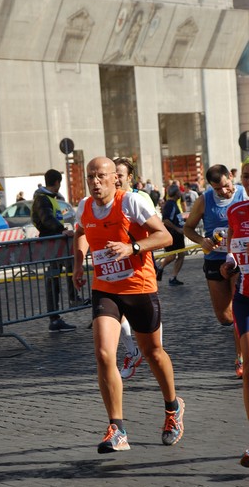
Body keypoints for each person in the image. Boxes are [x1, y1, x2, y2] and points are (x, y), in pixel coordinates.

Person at [73, 157, 184, 453]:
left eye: (100, 177)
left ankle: (173, 408)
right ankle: (117, 428)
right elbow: (81, 231)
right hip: (105, 288)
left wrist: (131, 247)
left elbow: (165, 236)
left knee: (153, 352)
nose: (95, 182)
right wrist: (78, 263)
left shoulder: (131, 203)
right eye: (90, 177)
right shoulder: (84, 206)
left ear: (114, 179)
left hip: (139, 287)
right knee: (103, 353)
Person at [184, 164, 246, 378]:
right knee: (224, 316)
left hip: (239, 259)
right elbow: (188, 228)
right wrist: (202, 241)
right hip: (214, 258)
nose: (224, 191)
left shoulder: (243, 194)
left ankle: (241, 357)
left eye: (226, 186)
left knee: (239, 310)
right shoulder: (205, 200)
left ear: (231, 177)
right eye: (218, 189)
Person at [220, 159, 249, 466]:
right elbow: (232, 246)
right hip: (245, 297)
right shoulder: (236, 211)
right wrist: (229, 262)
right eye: (248, 177)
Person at [113, 157, 148, 379]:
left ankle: (152, 354)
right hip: (113, 270)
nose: (115, 179)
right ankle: (132, 352)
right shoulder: (103, 200)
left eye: (119, 175)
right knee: (117, 315)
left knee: (147, 324)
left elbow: (157, 233)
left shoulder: (140, 198)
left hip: (141, 268)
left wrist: (132, 247)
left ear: (129, 177)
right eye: (112, 175)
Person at [32, 169, 77, 332]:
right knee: (53, 278)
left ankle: (71, 301)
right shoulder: (43, 199)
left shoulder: (48, 198)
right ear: (57, 182)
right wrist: (61, 229)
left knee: (65, 269)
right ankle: (57, 315)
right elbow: (47, 218)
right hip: (52, 242)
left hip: (54, 242)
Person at [156, 184, 186, 286]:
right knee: (172, 255)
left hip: (177, 234)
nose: (180, 193)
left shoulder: (173, 203)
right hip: (173, 234)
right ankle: (159, 268)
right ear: (176, 193)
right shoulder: (170, 204)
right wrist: (177, 229)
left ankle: (173, 277)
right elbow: (166, 220)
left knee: (181, 255)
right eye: (179, 191)